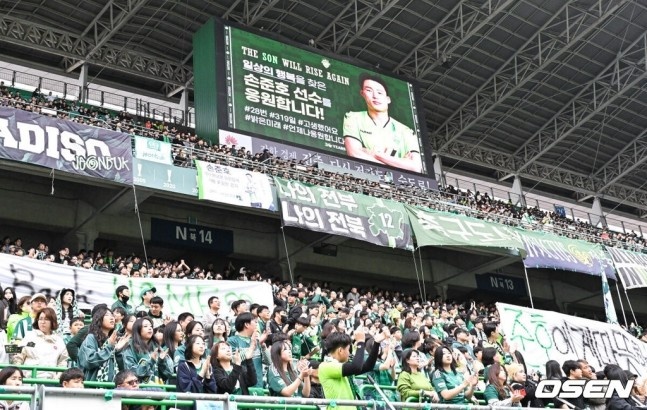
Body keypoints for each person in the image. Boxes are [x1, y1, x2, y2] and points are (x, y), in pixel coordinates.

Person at [343, 73, 422, 173]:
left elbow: (416, 167)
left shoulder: (406, 131)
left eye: (379, 93)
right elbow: (354, 154)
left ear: (388, 99)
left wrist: (376, 154)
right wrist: (399, 164)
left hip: (399, 181)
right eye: (369, 90)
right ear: (362, 93)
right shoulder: (353, 118)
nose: (375, 96)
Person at [318, 328, 387, 410]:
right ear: (340, 350)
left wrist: (376, 343)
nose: (349, 353)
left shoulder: (341, 366)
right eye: (348, 349)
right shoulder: (325, 366)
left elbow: (368, 366)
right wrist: (360, 343)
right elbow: (356, 367)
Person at [13, 307, 69, 379]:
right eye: (40, 319)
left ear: (52, 321)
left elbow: (62, 362)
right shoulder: (30, 337)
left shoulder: (59, 341)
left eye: (46, 319)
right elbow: (18, 357)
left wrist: (57, 377)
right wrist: (20, 375)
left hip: (50, 381)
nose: (43, 322)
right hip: (29, 379)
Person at [78, 306, 131, 382]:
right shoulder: (91, 338)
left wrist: (117, 351)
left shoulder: (113, 340)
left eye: (112, 315)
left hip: (112, 385)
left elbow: (122, 369)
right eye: (107, 315)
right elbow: (89, 361)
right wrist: (109, 347)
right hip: (93, 385)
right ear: (98, 319)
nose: (112, 318)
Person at [122, 317, 173, 384]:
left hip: (158, 388)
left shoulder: (158, 347)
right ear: (138, 329)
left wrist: (161, 361)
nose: (150, 328)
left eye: (151, 326)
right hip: (139, 388)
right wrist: (151, 362)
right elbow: (131, 372)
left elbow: (168, 374)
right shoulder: (130, 347)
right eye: (145, 326)